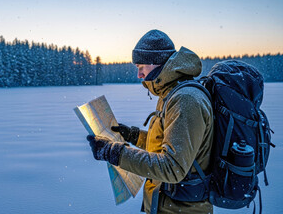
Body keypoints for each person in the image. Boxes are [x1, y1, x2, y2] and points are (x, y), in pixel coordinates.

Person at [86, 30, 214, 213]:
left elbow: (173, 167)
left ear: (156, 63)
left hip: (182, 208)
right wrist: (133, 136)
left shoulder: (185, 100)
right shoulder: (171, 93)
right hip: (167, 204)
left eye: (141, 67)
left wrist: (115, 153)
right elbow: (167, 145)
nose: (139, 75)